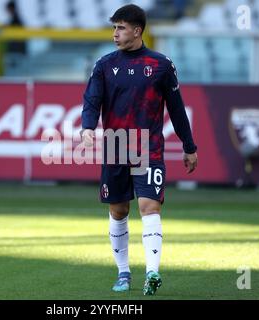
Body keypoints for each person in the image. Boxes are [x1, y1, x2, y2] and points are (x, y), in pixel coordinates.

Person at [80, 4, 198, 296]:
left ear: (137, 30)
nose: (115, 33)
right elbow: (92, 100)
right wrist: (87, 127)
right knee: (119, 210)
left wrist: (189, 146)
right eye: (114, 28)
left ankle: (152, 273)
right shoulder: (104, 65)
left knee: (149, 206)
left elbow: (177, 108)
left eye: (120, 27)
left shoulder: (161, 65)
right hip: (115, 147)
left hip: (149, 148)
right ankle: (123, 273)